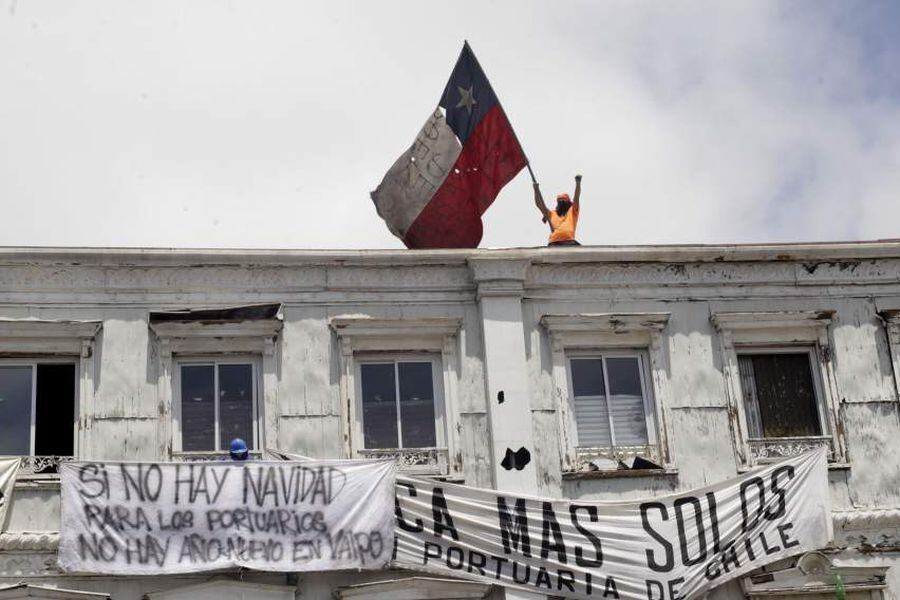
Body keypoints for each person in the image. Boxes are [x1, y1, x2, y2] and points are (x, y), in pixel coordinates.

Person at [533, 174, 582, 246]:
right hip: (554, 242)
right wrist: (536, 190)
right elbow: (539, 204)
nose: (562, 202)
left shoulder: (572, 211)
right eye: (560, 200)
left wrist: (578, 183)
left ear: (569, 202)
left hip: (568, 241)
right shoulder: (552, 214)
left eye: (564, 200)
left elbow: (576, 197)